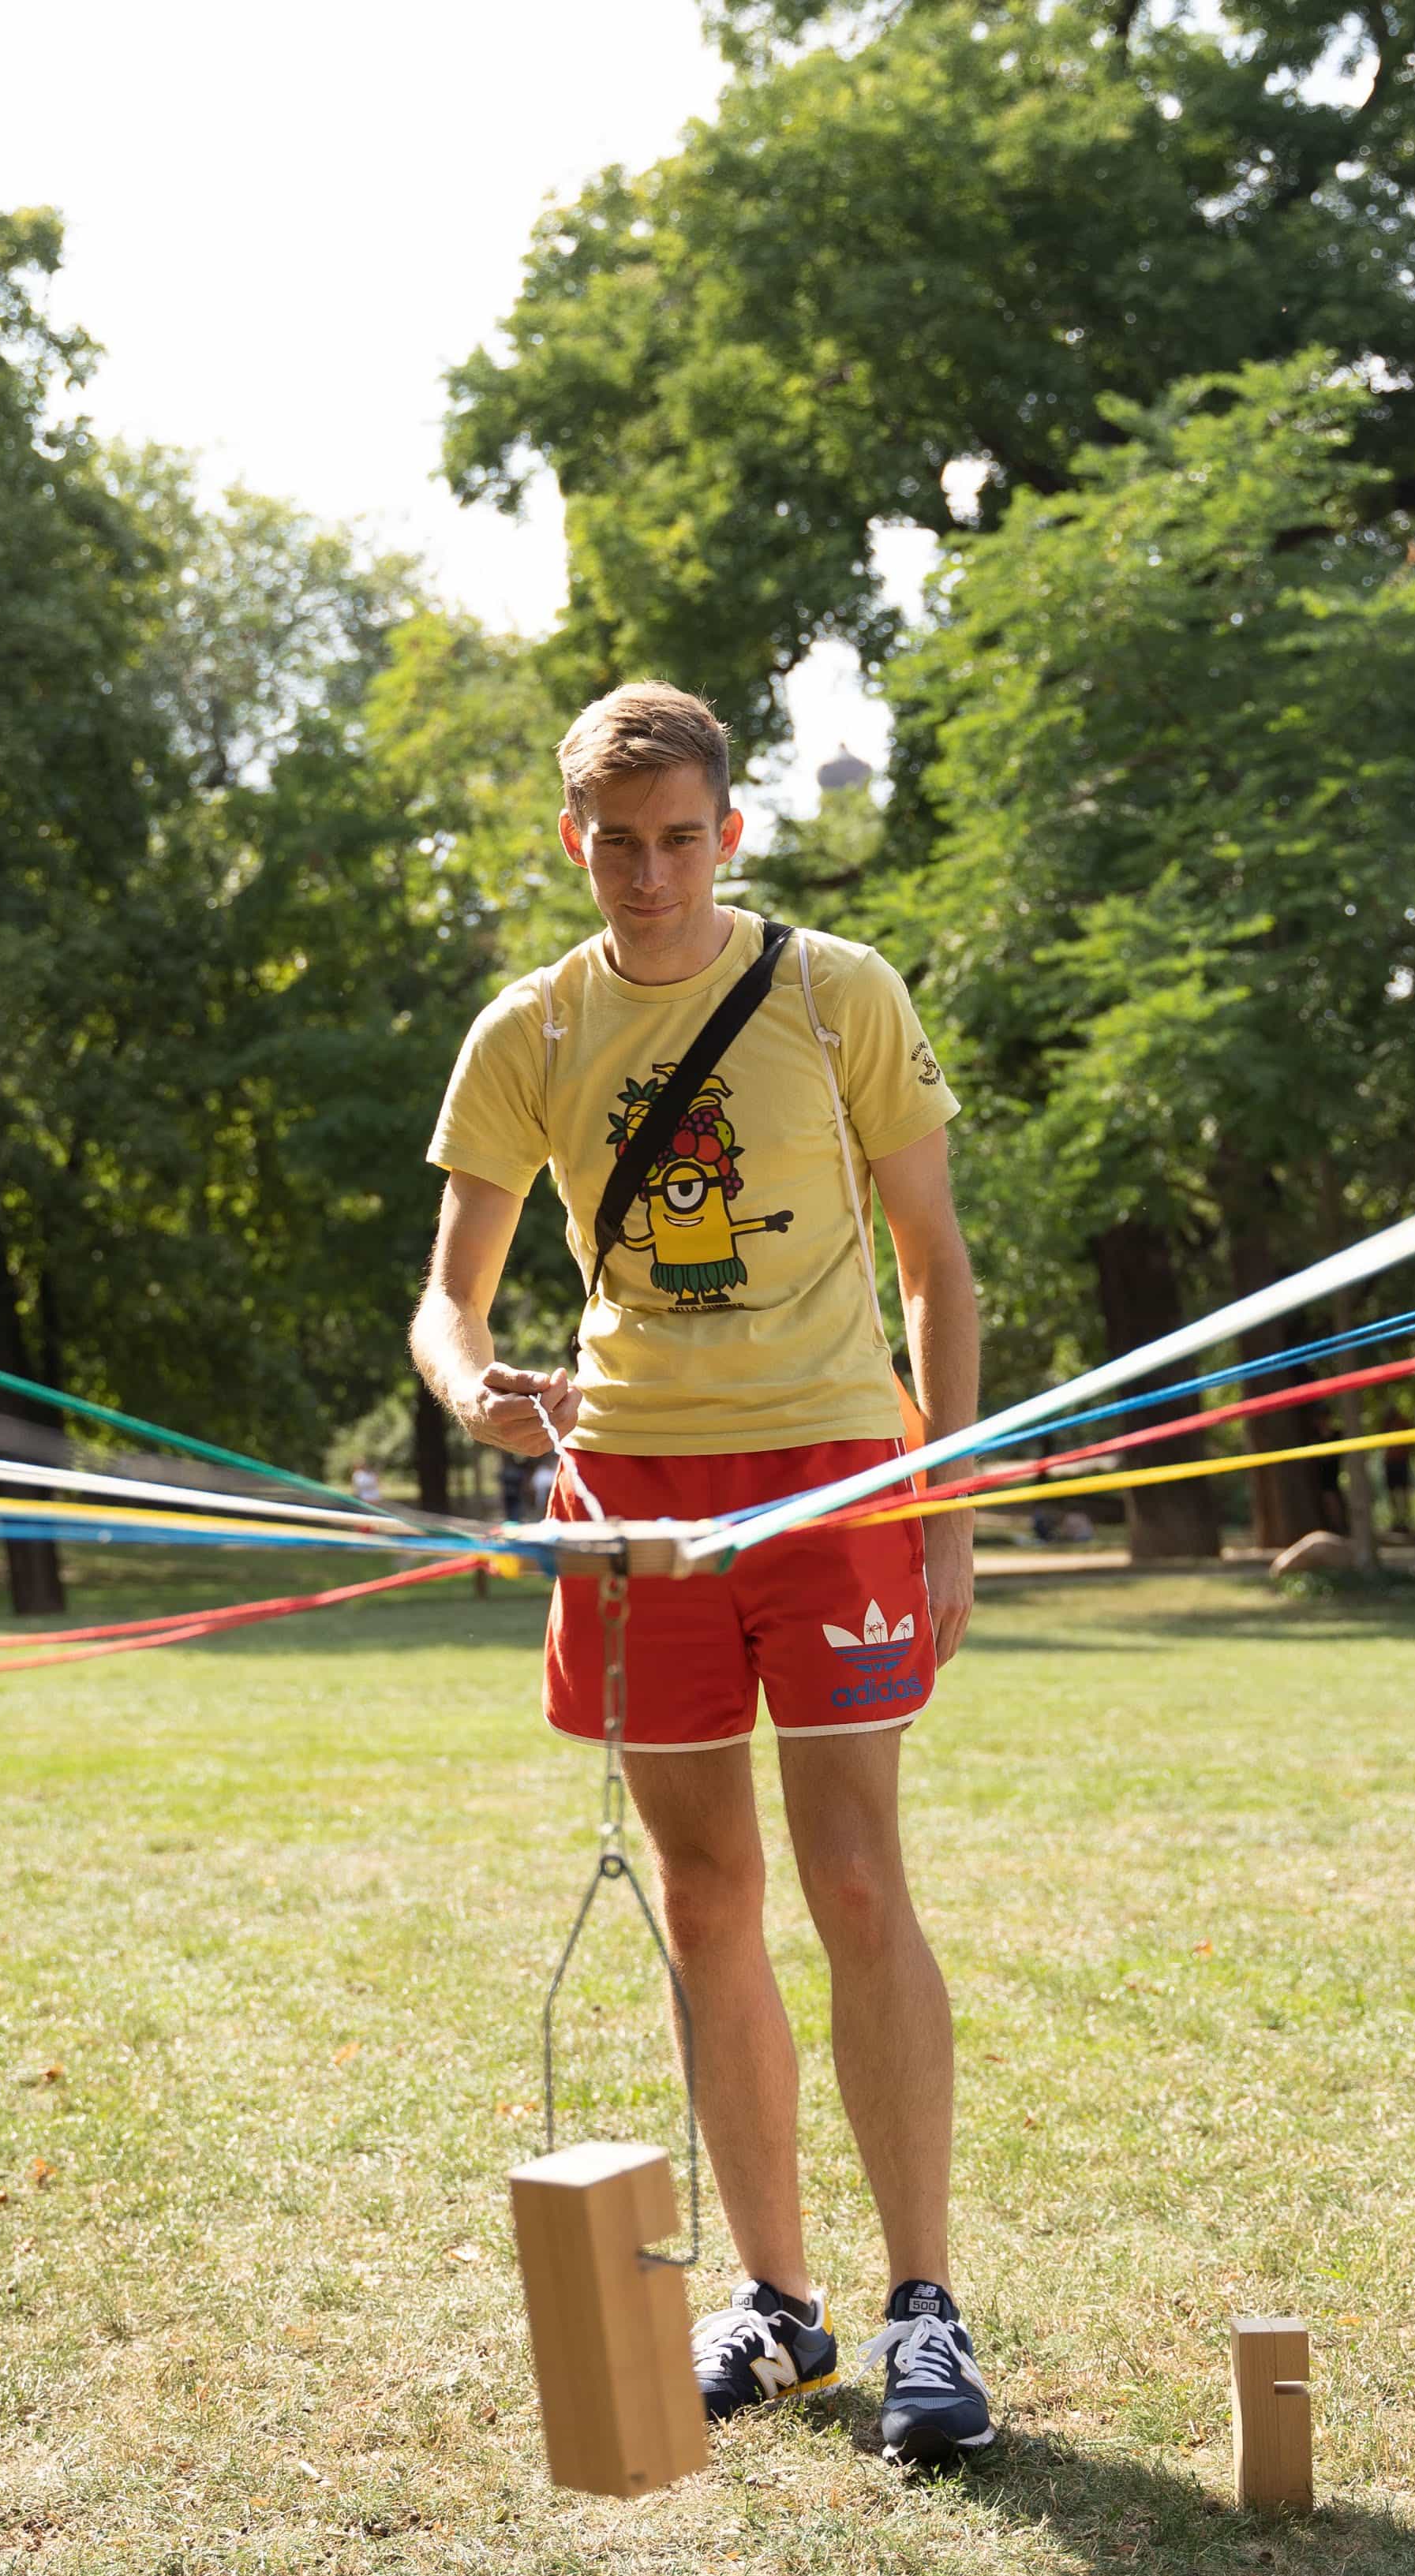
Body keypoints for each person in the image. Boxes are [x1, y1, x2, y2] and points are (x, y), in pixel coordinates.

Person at [410, 682, 994, 2463]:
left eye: (678, 839)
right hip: (629, 1501)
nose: (648, 873)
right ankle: (778, 2304)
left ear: (725, 834)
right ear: (569, 839)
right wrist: (478, 1390)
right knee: (704, 1891)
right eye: (615, 841)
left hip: (829, 1476)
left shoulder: (836, 995)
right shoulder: (528, 1027)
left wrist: (942, 1505)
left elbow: (937, 1271)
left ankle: (921, 2312)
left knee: (852, 1875)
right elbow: (446, 1298)